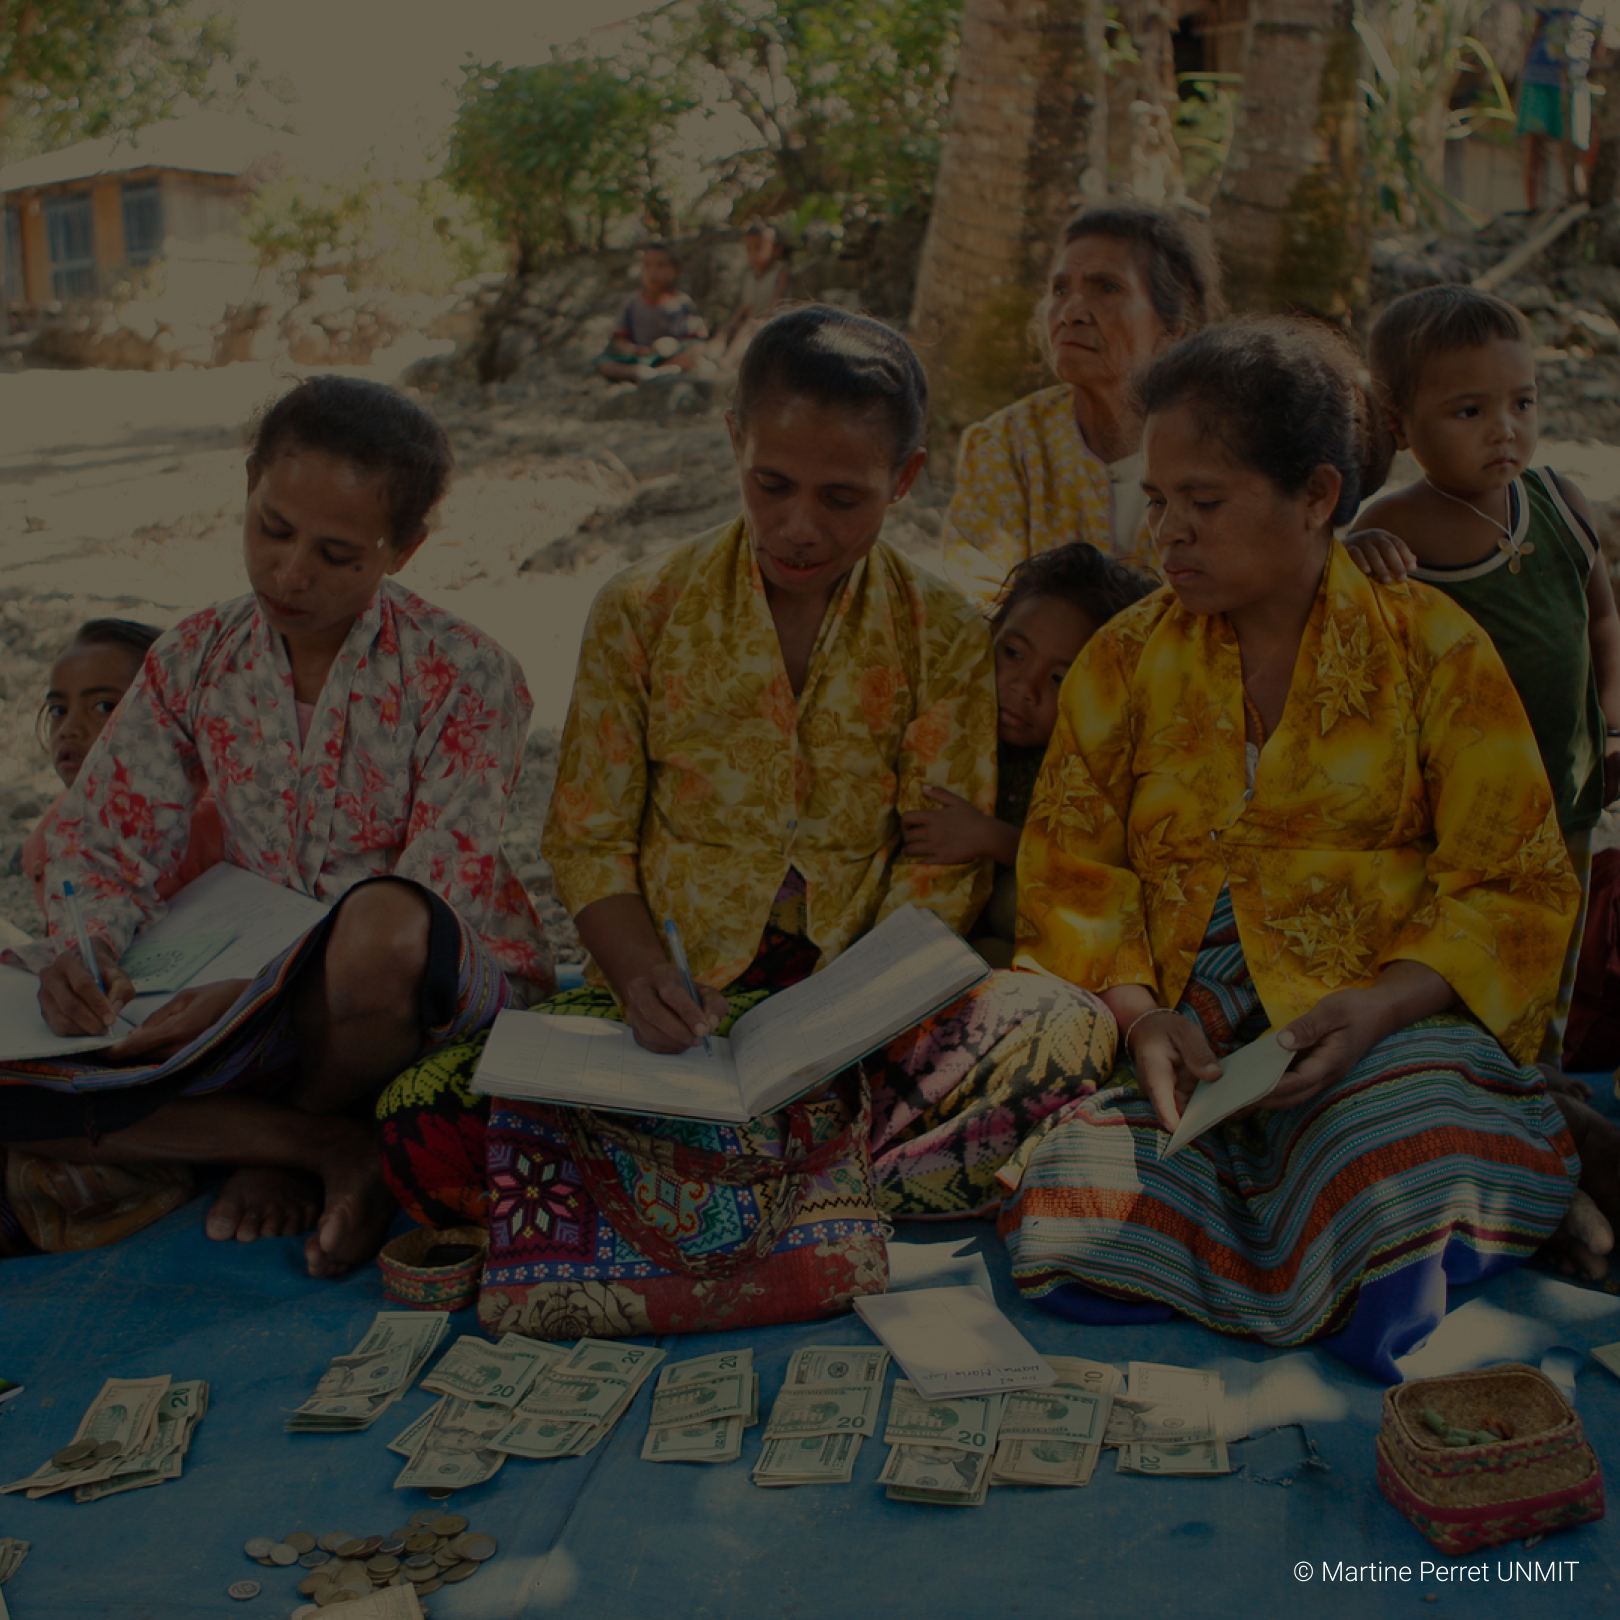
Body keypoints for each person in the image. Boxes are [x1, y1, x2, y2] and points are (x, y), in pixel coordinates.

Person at [379, 305, 1115, 1242]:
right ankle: (797, 1194)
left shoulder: (940, 631)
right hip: (675, 1012)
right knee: (417, 1122)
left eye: (843, 499)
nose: (798, 526)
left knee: (1058, 1034)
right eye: (771, 484)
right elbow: (589, 837)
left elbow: (938, 869)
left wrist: (837, 1023)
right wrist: (643, 977)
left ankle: (684, 1199)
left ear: (906, 479)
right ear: (734, 443)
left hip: (865, 1017)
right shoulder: (641, 608)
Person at [997, 317, 1620, 1382]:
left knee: (1386, 1158)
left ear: (1319, 498)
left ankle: (1405, 1211)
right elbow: (1073, 871)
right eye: (1159, 504)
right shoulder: (1123, 659)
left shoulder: (1430, 647)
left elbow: (1513, 881)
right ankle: (1377, 1246)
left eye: (1205, 504)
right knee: (1067, 1212)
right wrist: (1143, 1021)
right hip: (1191, 1038)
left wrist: (1377, 1007)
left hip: (1382, 1022)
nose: (1170, 540)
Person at [1, 375, 552, 1278]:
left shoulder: (469, 673)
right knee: (22, 1064)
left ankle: (268, 1138)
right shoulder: (194, 657)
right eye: (273, 529)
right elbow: (99, 842)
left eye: (339, 554)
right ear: (251, 485)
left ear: (402, 550)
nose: (291, 573)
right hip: (238, 990)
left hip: (411, 995)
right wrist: (89, 951)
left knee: (377, 929)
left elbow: (436, 894)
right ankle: (329, 1143)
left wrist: (259, 991)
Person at [1349, 285, 1620, 1070]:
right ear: (1399, 425)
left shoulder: (1560, 504)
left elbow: (1601, 617)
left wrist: (1610, 721)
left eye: (1523, 403)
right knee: (1464, 959)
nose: (1506, 429)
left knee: (1551, 949)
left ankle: (1542, 1088)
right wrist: (1354, 552)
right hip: (1453, 825)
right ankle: (1464, 1080)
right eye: (1469, 412)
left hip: (1564, 797)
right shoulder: (1390, 531)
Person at [941, 200, 1223, 609]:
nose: (1070, 313)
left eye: (1106, 288)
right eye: (1060, 290)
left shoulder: (1222, 450)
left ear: (1173, 330)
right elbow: (975, 598)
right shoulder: (1009, 444)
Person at [901, 544, 1155, 967]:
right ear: (992, 632)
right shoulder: (946, 719)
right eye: (1013, 653)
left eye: (1060, 678)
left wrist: (988, 837)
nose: (1024, 687)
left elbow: (1091, 874)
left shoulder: (1085, 768)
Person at [22, 620, 224, 916]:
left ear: (170, 714)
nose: (69, 729)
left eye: (103, 707)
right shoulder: (48, 839)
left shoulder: (214, 826)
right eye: (58, 711)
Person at [597, 242, 710, 382]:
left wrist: (673, 344)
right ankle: (640, 373)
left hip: (670, 355)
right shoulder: (632, 302)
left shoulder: (682, 302)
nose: (653, 271)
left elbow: (698, 339)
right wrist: (634, 349)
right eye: (647, 265)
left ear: (676, 270)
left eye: (660, 265)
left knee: (696, 352)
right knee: (604, 363)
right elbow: (620, 340)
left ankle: (662, 370)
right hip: (639, 357)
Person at [711, 222, 793, 370]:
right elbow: (745, 306)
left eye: (759, 248)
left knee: (748, 329)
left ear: (776, 250)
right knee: (728, 328)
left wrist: (761, 319)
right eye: (749, 250)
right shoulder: (749, 275)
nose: (753, 255)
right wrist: (731, 324)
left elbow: (778, 302)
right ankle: (711, 355)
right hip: (752, 320)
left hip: (772, 321)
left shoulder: (780, 272)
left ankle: (727, 361)